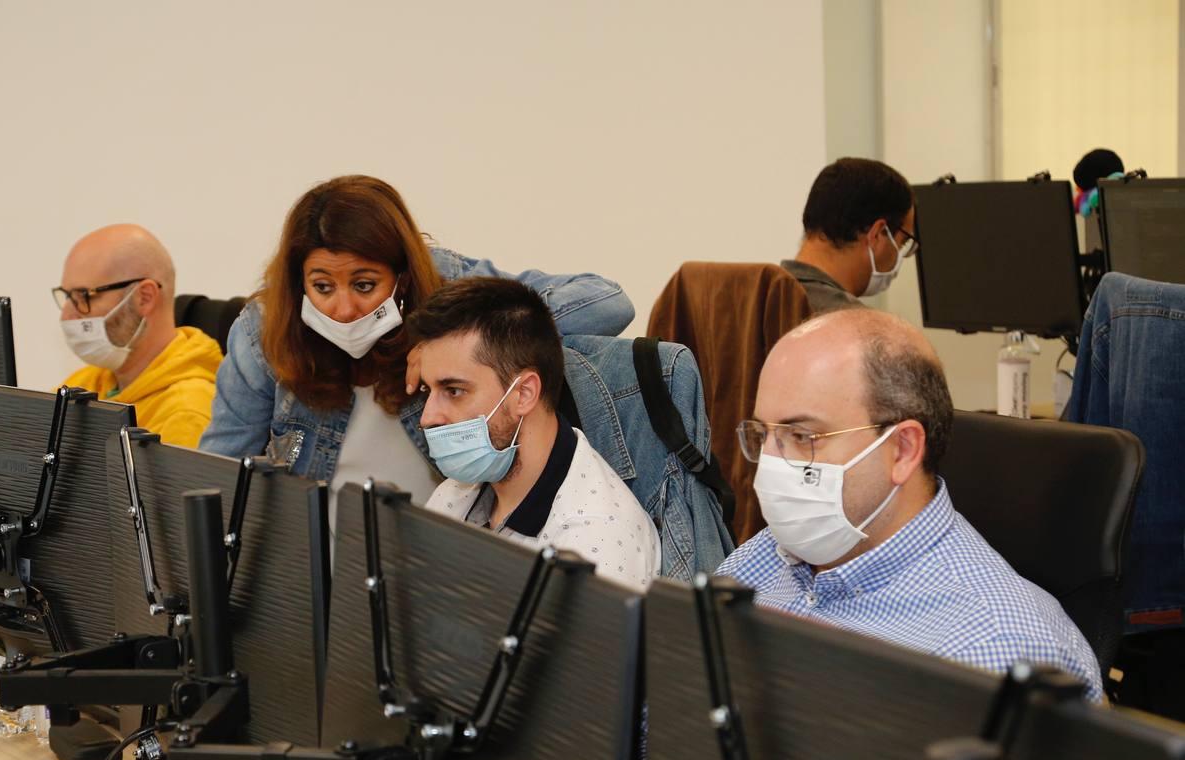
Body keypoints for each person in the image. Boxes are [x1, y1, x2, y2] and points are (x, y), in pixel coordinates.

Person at [716, 308, 1103, 700]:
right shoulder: (760, 562)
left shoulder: (994, 653)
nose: (771, 463)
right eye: (764, 433)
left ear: (902, 450)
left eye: (802, 435)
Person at [199, 175, 634, 522]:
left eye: (365, 285)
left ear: (402, 278)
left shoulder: (442, 287)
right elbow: (217, 474)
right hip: (309, 574)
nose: (344, 308)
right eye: (322, 287)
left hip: (440, 557)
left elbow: (608, 303)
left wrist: (450, 340)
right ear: (299, 284)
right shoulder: (264, 331)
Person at [411, 277, 660, 593]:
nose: (428, 417)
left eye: (454, 390)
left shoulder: (595, 544)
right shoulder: (458, 494)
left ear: (524, 394)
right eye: (427, 390)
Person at [54, 224, 222, 447]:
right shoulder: (85, 384)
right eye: (67, 296)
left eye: (84, 296)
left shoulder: (187, 413)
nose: (66, 316)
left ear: (144, 297)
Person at [781, 158, 917, 311]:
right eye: (903, 242)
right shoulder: (855, 326)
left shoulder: (760, 296)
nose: (900, 252)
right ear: (878, 234)